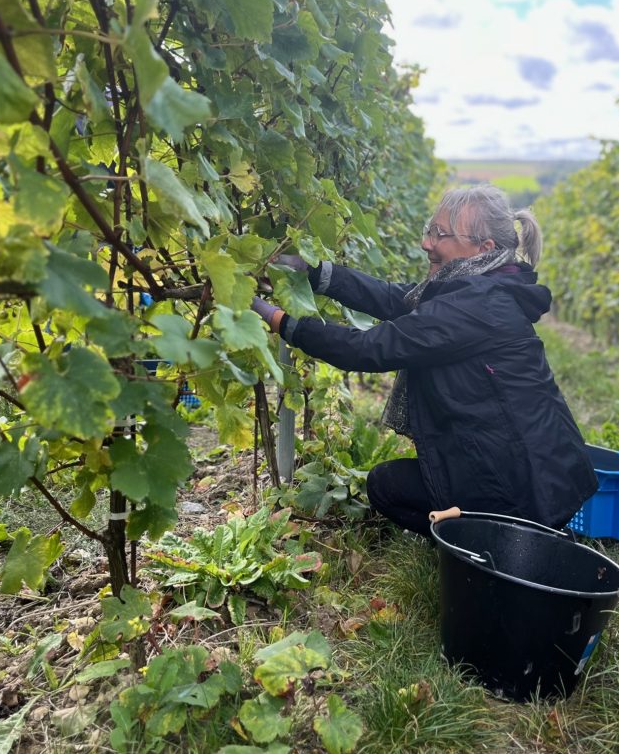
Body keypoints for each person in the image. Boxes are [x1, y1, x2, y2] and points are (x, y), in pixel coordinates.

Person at [252, 185, 597, 536]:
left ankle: (495, 539)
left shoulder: (476, 306)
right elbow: (393, 297)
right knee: (403, 481)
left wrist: (280, 320)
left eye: (441, 234)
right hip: (535, 473)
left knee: (386, 487)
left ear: (484, 248)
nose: (426, 243)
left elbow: (369, 348)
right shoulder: (483, 289)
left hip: (525, 488)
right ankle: (498, 531)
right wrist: (313, 271)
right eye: (429, 230)